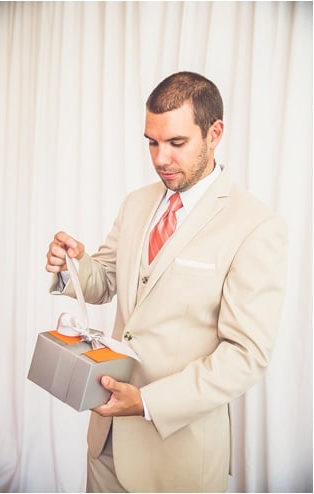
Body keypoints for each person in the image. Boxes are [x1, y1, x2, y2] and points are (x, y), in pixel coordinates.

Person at [45, 71, 286, 492]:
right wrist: (73, 264)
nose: (160, 158)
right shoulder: (137, 202)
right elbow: (104, 281)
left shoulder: (255, 225)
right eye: (152, 142)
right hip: (105, 442)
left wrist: (147, 403)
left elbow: (245, 355)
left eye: (176, 143)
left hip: (178, 454)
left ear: (215, 134)